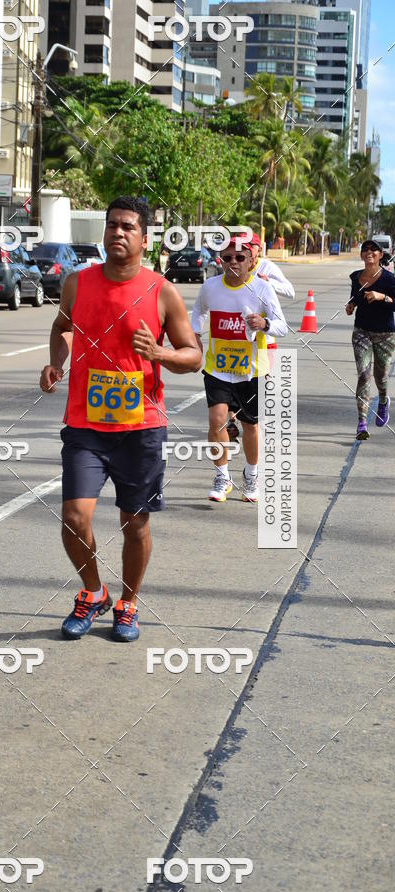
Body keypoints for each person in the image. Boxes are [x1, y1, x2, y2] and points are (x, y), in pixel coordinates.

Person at [40, 197, 202, 642]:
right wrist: (57, 362)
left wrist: (161, 353)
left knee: (136, 523)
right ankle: (94, 593)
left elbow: (193, 356)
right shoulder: (78, 283)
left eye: (128, 226)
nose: (117, 232)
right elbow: (61, 327)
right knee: (74, 518)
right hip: (85, 426)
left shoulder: (162, 291)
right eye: (112, 225)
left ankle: (128, 603)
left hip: (141, 428)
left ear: (145, 238)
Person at [191, 236, 288, 503]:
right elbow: (197, 311)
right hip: (218, 368)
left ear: (251, 261)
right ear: (220, 260)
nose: (233, 262)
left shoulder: (262, 289)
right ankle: (222, 476)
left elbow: (283, 326)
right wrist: (195, 335)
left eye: (240, 257)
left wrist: (264, 324)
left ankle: (251, 474)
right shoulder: (210, 287)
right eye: (227, 257)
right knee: (216, 420)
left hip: (251, 371)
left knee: (250, 427)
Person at [227, 232, 295, 443]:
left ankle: (255, 424)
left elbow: (290, 291)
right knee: (230, 377)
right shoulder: (232, 265)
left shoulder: (267, 267)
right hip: (235, 334)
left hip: (265, 334)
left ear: (258, 249)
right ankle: (231, 421)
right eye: (240, 248)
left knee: (261, 381)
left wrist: (268, 283)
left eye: (250, 247)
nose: (244, 253)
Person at [346, 238, 395, 439]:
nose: (369, 252)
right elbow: (354, 297)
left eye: (374, 250)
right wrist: (350, 306)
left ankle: (383, 401)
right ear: (362, 255)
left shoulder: (390, 279)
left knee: (380, 377)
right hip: (362, 332)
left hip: (385, 334)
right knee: (364, 375)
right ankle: (362, 422)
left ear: (380, 255)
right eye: (365, 250)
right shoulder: (356, 277)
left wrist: (381, 296)